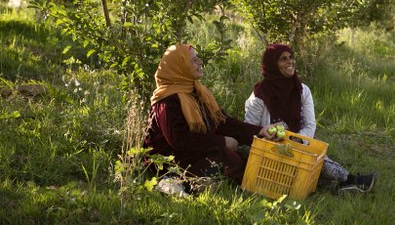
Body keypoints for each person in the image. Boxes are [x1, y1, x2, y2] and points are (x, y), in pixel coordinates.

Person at [244, 43, 377, 193]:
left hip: (298, 146)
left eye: (291, 57)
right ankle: (350, 182)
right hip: (269, 150)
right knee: (309, 166)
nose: (290, 62)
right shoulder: (259, 96)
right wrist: (270, 138)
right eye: (283, 59)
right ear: (272, 65)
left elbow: (310, 124)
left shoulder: (302, 90)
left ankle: (345, 184)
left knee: (314, 160)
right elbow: (249, 129)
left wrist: (298, 140)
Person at [143, 44, 279, 187]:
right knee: (232, 161)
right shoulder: (167, 100)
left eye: (198, 59)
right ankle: (174, 183)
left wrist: (259, 131)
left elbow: (222, 122)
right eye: (194, 60)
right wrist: (222, 142)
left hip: (194, 151)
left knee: (249, 160)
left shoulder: (197, 90)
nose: (200, 63)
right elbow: (179, 140)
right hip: (170, 161)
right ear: (180, 66)